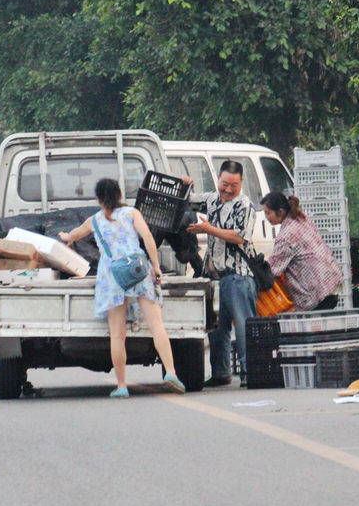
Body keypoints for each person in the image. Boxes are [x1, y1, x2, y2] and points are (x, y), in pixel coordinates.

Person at [58, 178, 187, 398]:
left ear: (98, 200)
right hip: (138, 269)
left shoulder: (94, 221)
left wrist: (65, 237)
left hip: (112, 277)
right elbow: (147, 237)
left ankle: (122, 385)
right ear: (119, 195)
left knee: (117, 335)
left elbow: (73, 235)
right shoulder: (132, 213)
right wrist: (155, 266)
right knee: (157, 325)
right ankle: (171, 373)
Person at [182, 161, 256, 387]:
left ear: (241, 182)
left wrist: (208, 229)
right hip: (215, 278)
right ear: (219, 181)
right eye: (224, 184)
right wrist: (187, 186)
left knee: (243, 326)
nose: (228, 189)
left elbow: (239, 236)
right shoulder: (213, 200)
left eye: (233, 185)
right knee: (216, 327)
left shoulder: (245, 206)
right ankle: (221, 372)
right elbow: (190, 201)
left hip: (238, 276)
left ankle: (249, 372)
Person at [260, 192, 343, 311]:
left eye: (268, 213)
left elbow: (273, 269)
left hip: (315, 291)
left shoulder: (286, 235)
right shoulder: (301, 219)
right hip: (330, 282)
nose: (266, 217)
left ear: (281, 211)